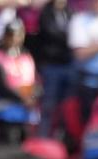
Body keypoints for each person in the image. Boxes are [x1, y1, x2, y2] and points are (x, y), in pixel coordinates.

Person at [0, 20, 38, 143]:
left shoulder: (26, 56)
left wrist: (32, 97)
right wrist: (23, 99)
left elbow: (35, 83)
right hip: (0, 102)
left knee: (27, 134)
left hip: (24, 103)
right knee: (10, 133)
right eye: (11, 35)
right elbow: (1, 87)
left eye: (18, 35)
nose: (14, 39)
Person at [30, 0, 73, 138]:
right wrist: (70, 38)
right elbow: (50, 33)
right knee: (48, 104)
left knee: (66, 106)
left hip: (68, 64)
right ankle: (42, 137)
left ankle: (60, 138)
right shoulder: (46, 12)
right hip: (51, 65)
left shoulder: (70, 12)